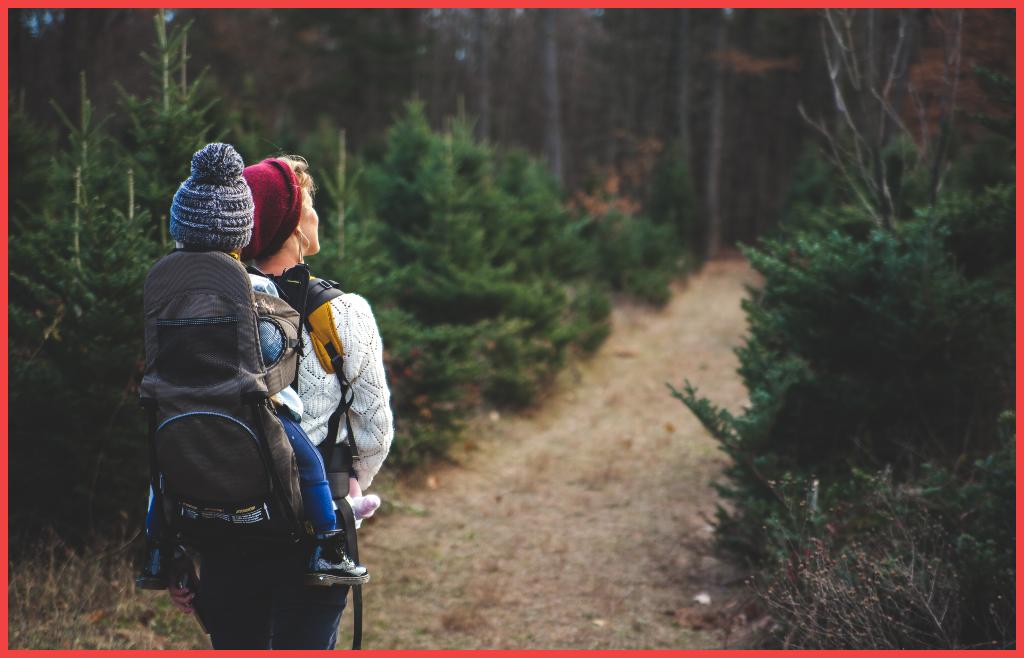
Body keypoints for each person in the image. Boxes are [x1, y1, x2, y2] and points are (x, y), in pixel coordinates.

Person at [169, 152, 394, 650]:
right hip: (312, 535)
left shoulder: (209, 305)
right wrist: (349, 491)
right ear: (293, 223)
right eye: (309, 202)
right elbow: (375, 431)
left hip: (224, 527)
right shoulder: (343, 312)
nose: (316, 212)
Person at [136, 143, 370, 595]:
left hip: (176, 401)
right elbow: (271, 345)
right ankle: (328, 543)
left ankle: (157, 549)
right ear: (241, 234)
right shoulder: (253, 286)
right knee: (304, 456)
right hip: (246, 399)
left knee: (161, 469)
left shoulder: (165, 285)